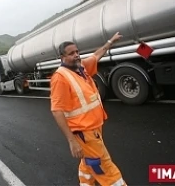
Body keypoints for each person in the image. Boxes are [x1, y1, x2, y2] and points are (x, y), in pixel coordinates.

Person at [50, 32, 127, 186]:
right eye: (71, 53)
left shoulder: (81, 68)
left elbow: (96, 55)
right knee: (106, 169)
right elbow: (56, 110)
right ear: (62, 57)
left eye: (77, 52)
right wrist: (72, 141)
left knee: (88, 163)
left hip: (94, 129)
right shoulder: (60, 78)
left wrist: (110, 42)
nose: (76, 55)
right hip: (84, 133)